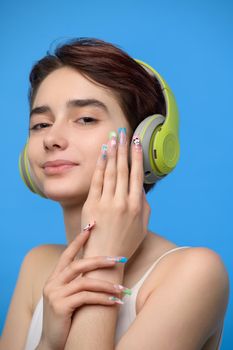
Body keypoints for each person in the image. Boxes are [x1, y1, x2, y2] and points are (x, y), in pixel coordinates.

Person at [0, 37, 229, 350]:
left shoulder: (195, 273)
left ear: (145, 144)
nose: (51, 138)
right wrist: (49, 342)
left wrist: (103, 265)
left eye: (85, 119)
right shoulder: (37, 266)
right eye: (40, 124)